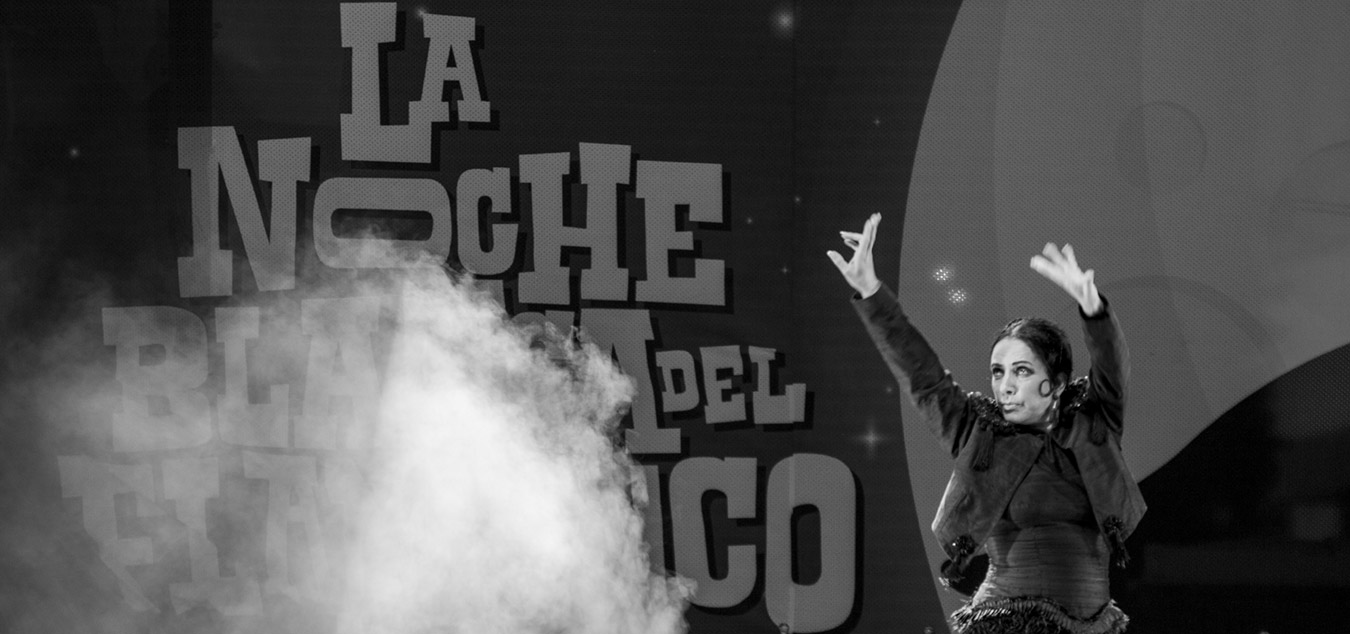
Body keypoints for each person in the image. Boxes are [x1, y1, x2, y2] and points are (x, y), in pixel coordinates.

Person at [827, 214, 1145, 633]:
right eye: (998, 372)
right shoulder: (978, 431)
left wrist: (1093, 308)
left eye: (1021, 371)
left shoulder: (1094, 422)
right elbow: (922, 376)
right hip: (1011, 622)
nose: (1005, 386)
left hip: (1092, 624)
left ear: (1057, 382)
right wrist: (872, 293)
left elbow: (1113, 365)